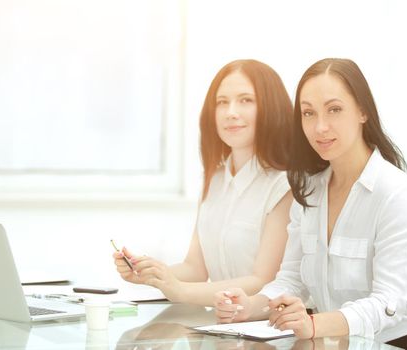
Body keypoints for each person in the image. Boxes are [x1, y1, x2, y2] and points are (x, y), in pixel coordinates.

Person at [214, 58, 407, 349]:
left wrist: (314, 324)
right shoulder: (310, 191)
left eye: (334, 109)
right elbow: (292, 279)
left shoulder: (396, 193)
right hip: (339, 343)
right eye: (308, 113)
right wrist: (250, 306)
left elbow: (389, 303)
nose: (320, 127)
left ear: (363, 111)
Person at [113, 59, 294, 306]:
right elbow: (196, 268)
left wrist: (179, 291)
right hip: (220, 326)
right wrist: (150, 274)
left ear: (271, 107)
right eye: (222, 102)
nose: (231, 112)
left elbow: (263, 280)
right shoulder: (215, 179)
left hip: (267, 328)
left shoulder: (284, 185)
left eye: (245, 100)